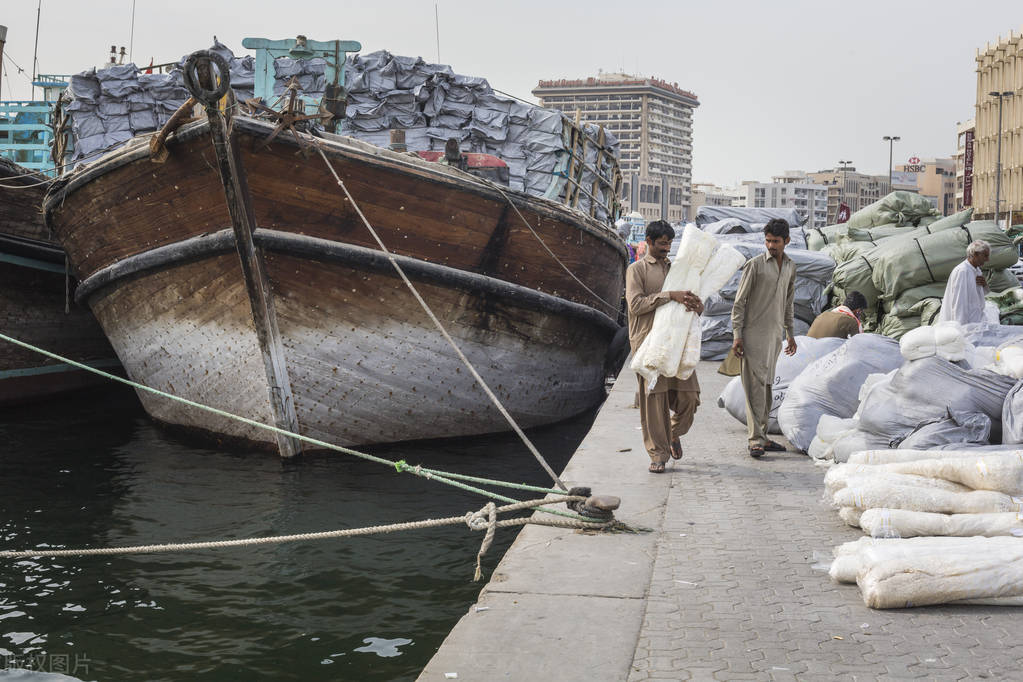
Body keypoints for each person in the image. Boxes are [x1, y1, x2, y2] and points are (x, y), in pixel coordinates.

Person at [625, 220, 704, 473]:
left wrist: (697, 306)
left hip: (677, 343)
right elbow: (635, 305)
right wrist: (670, 295)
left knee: (690, 397)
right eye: (661, 243)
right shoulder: (636, 270)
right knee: (654, 403)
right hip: (647, 343)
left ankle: (673, 433)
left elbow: (693, 300)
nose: (666, 248)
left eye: (669, 243)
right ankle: (657, 454)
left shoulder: (677, 269)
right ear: (648, 241)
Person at [730, 218, 797, 458]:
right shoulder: (755, 265)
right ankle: (755, 440)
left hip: (774, 337)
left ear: (786, 241)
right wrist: (737, 335)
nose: (771, 245)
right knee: (754, 388)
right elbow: (739, 304)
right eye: (768, 241)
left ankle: (763, 436)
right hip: (753, 335)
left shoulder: (790, 267)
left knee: (767, 386)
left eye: (776, 241)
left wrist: (790, 334)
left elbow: (789, 304)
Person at [938, 240, 991, 325]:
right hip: (965, 324)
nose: (987, 259)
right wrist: (961, 329)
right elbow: (958, 303)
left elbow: (979, 295)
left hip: (975, 321)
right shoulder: (962, 271)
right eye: (985, 256)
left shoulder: (976, 270)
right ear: (975, 254)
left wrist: (985, 285)